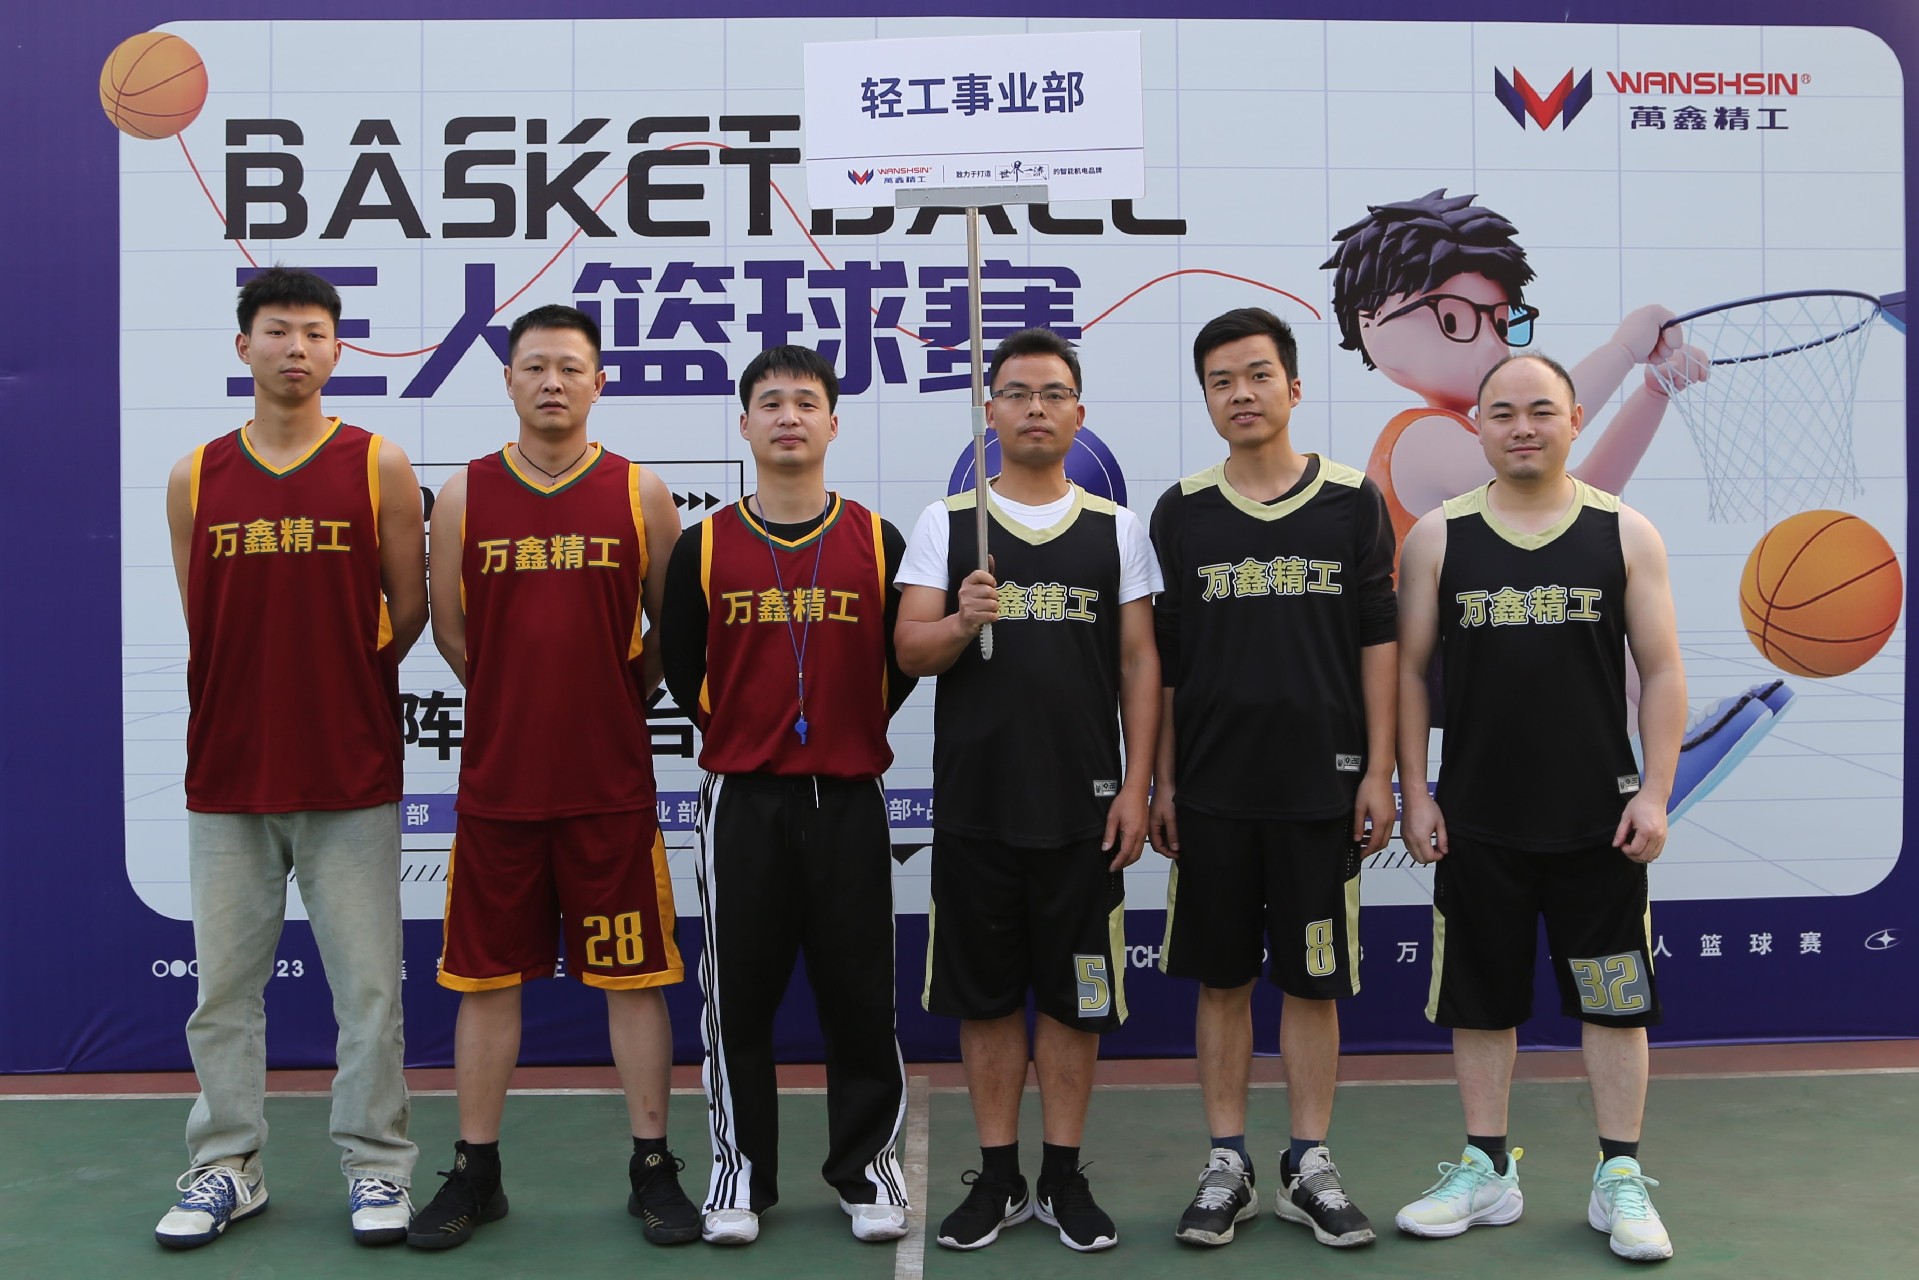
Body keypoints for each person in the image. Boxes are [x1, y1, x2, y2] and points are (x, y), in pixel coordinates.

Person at [1324, 187, 1772, 816]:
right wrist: (1621, 351)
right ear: (1371, 322)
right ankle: (1644, 758)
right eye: (1455, 319)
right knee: (1573, 602)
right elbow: (1536, 426)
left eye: (1502, 321)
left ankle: (1651, 758)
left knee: (1580, 581)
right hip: (1432, 654)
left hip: (1475, 637)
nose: (1492, 346)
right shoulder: (1417, 436)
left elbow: (1583, 490)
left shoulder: (1463, 432)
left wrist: (1653, 392)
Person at [406, 304, 697, 1251]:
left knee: (634, 980)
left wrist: (610, 692)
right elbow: (452, 632)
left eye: (570, 367)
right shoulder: (463, 494)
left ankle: (652, 1165)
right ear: (508, 380)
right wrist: (513, 697)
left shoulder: (639, 491)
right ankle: (476, 1170)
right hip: (500, 786)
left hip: (610, 786)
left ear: (598, 382)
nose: (552, 382)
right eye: (534, 366)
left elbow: (669, 631)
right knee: (486, 982)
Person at [1393, 353, 1686, 1263]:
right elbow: (1408, 675)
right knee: (1481, 1001)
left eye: (1541, 410)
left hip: (1599, 822)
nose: (1522, 427)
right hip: (1477, 819)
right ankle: (1486, 1170)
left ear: (1572, 419)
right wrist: (1415, 791)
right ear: (1476, 425)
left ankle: (1618, 1175)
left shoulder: (1623, 531)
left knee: (1614, 1002)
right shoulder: (1437, 537)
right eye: (1502, 412)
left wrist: (1655, 791)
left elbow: (1661, 671)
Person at [158, 265, 425, 1250]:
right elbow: (207, 617)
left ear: (337, 350)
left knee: (369, 993)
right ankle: (226, 1164)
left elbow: (407, 609)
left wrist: (336, 686)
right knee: (223, 994)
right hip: (229, 772)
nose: (296, 348)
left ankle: (377, 1164)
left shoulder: (377, 463)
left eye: (315, 332)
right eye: (277, 330)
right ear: (245, 346)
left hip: (348, 771)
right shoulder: (195, 475)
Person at [895, 327, 1161, 1253]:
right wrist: (960, 621)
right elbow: (909, 649)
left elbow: (1138, 661)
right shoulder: (948, 524)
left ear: (1078, 413)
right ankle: (999, 1174)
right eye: (1016, 393)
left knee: (1076, 1001)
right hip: (978, 809)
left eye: (1051, 393)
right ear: (991, 412)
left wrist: (1136, 785)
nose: (1034, 408)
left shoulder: (1116, 529)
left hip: (1083, 813)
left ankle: (1062, 1174)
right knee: (986, 1001)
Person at [1147, 308, 1395, 1250]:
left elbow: (1378, 643)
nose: (1240, 394)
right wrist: (1163, 781)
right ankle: (1226, 1163)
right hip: (1212, 792)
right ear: (1205, 399)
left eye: (1257, 375)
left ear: (1293, 386)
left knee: (1311, 981)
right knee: (1220, 981)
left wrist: (1377, 771)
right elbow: (1166, 666)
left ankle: (1307, 1163)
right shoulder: (1181, 512)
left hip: (1320, 790)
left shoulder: (1351, 501)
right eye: (1221, 381)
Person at [659, 345, 917, 1246]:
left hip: (847, 796)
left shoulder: (878, 541)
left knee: (861, 997)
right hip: (743, 800)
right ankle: (739, 1175)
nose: (788, 417)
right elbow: (683, 668)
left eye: (806, 402)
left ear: (833, 424)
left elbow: (897, 667)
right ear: (744, 425)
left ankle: (868, 1171)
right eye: (769, 403)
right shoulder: (703, 546)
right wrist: (752, 736)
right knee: (738, 1000)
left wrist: (837, 732)